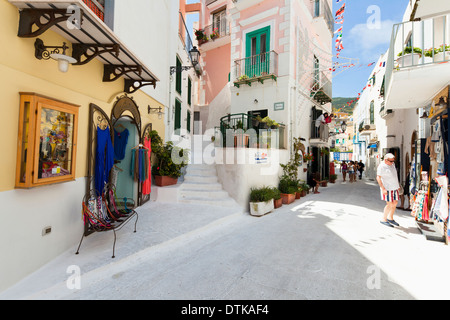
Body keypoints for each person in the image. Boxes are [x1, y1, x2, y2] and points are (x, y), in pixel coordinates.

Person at [376, 153, 401, 227]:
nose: (392, 162)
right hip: (387, 188)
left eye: (393, 161)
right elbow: (378, 178)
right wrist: (383, 188)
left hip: (395, 187)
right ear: (385, 160)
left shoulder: (392, 165)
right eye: (390, 161)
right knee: (389, 204)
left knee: (395, 203)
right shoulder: (381, 166)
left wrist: (398, 184)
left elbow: (394, 175)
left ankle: (390, 218)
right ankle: (384, 219)